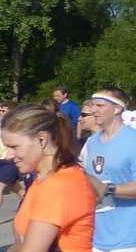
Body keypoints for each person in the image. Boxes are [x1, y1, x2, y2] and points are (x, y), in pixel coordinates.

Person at [1, 103, 95, 252]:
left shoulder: (58, 185)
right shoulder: (44, 179)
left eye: (14, 147)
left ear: (42, 139)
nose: (8, 156)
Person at [82, 88, 136, 252]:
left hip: (128, 235)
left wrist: (107, 189)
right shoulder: (92, 142)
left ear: (117, 109)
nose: (93, 110)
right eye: (93, 105)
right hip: (98, 234)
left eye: (100, 105)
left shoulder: (135, 141)